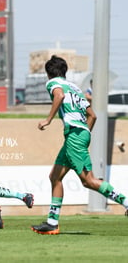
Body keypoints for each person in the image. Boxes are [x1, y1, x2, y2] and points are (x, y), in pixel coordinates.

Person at [31, 55, 128, 235]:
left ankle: (125, 202)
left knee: (88, 181)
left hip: (74, 135)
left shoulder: (53, 83)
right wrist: (85, 134)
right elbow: (93, 115)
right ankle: (52, 222)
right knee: (55, 177)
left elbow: (58, 96)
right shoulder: (75, 88)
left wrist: (48, 120)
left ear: (48, 73)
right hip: (78, 134)